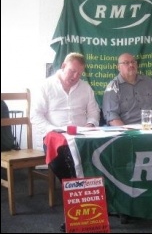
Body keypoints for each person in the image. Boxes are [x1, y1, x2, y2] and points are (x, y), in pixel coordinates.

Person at [30, 52, 100, 233]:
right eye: (72, 71)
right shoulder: (45, 86)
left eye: (79, 73)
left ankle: (92, 209)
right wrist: (53, 130)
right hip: (55, 137)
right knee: (67, 164)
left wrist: (91, 123)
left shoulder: (86, 88)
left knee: (99, 159)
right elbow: (35, 116)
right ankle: (77, 213)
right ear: (62, 66)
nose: (75, 77)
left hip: (81, 136)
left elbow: (94, 113)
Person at [103, 53, 152, 126]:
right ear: (118, 67)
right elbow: (111, 116)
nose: (131, 65)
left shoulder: (149, 82)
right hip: (127, 131)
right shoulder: (113, 87)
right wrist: (126, 134)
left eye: (133, 62)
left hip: (150, 130)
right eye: (126, 63)